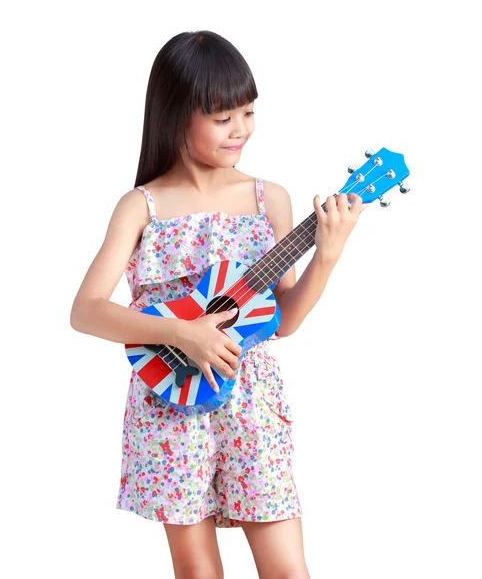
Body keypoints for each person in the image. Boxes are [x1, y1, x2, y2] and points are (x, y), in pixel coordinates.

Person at [70, 30, 365, 579]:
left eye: (248, 112)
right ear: (177, 114)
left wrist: (328, 255)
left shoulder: (268, 199)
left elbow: (287, 320)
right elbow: (85, 309)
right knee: (198, 571)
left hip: (251, 400)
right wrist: (186, 333)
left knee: (287, 569)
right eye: (222, 117)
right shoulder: (142, 206)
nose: (241, 130)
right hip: (171, 398)